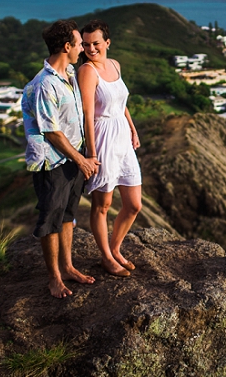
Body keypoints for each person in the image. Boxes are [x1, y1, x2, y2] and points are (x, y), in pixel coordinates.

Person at [21, 19, 98, 298]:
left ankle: (67, 267)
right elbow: (51, 131)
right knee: (51, 218)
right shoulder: (44, 85)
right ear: (67, 46)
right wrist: (81, 159)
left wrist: (84, 155)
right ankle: (54, 278)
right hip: (52, 162)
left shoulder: (70, 75)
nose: (82, 49)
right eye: (79, 44)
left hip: (72, 158)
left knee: (67, 216)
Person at [78, 19, 142, 277]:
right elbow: (87, 114)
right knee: (102, 204)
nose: (90, 48)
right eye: (85, 44)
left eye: (95, 43)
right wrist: (91, 153)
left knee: (134, 204)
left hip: (122, 136)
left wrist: (133, 128)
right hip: (102, 136)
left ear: (107, 42)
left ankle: (115, 248)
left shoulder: (115, 65)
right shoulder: (87, 71)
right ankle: (106, 257)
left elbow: (120, 101)